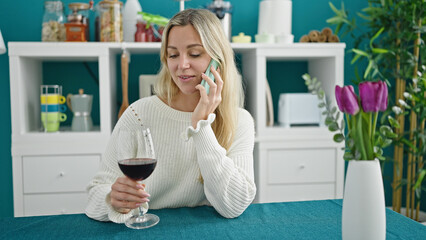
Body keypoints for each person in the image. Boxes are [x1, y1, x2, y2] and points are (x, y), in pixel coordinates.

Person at [85, 8, 256, 223]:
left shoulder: (240, 121)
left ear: (217, 61)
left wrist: (201, 125)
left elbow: (234, 205)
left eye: (195, 53)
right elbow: (93, 197)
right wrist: (112, 199)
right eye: (173, 54)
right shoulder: (139, 114)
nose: (182, 65)